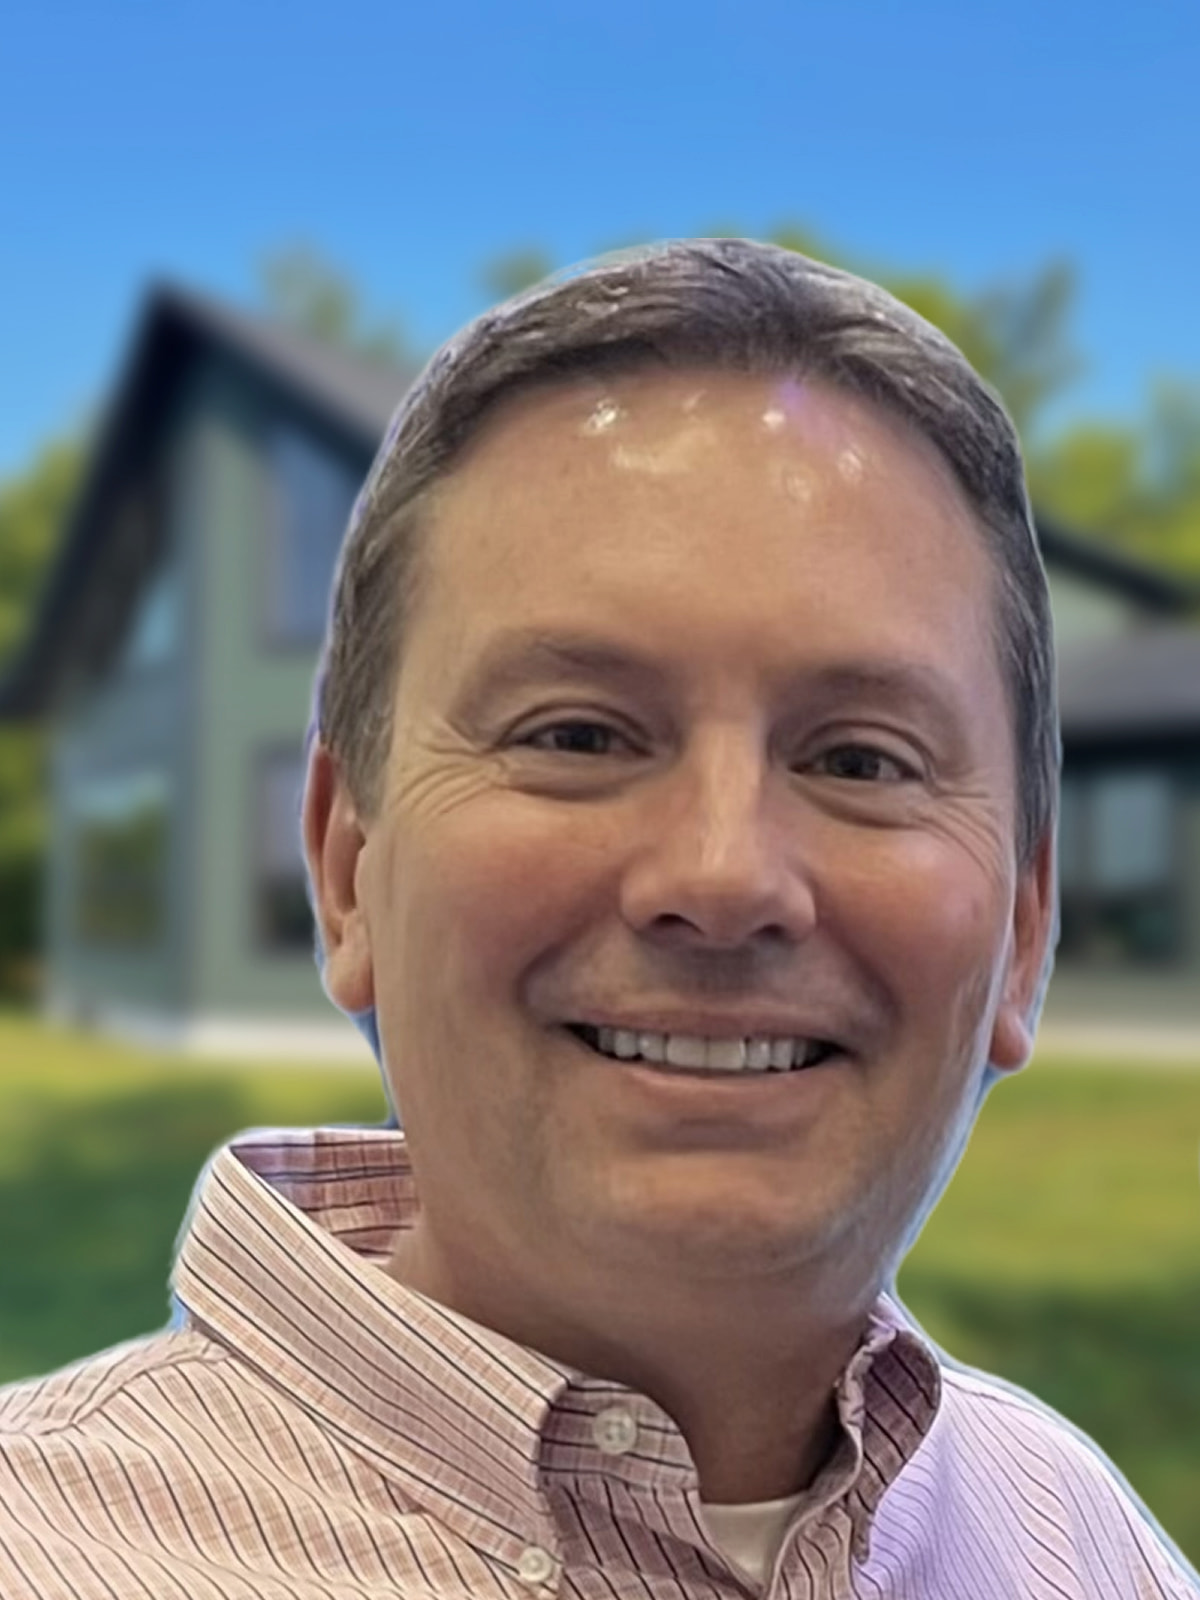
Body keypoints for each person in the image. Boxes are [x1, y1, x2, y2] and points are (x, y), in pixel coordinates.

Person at [1, 239, 1195, 1600]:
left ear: (1024, 937)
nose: (725, 876)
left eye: (861, 760)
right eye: (576, 735)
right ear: (346, 869)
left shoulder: (1069, 1532)